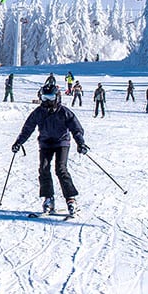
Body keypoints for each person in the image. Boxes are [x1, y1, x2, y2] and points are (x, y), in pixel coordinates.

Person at [11, 81, 87, 216]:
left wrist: (80, 143)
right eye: (45, 98)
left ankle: (71, 200)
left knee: (60, 169)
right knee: (44, 169)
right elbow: (28, 128)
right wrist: (19, 142)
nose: (47, 101)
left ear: (57, 97)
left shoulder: (64, 112)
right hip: (46, 143)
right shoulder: (38, 112)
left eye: (50, 98)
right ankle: (48, 199)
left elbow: (76, 129)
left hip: (61, 142)